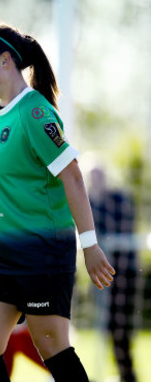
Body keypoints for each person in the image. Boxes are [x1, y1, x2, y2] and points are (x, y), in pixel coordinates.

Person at [0, 23, 116, 382]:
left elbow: (72, 176)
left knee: (51, 345)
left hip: (43, 253)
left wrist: (89, 245)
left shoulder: (35, 113)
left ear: (6, 60)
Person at [87, 164, 139, 382]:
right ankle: (115, 372)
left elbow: (125, 229)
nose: (97, 179)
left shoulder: (119, 199)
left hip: (125, 273)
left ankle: (127, 374)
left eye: (100, 174)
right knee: (105, 327)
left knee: (121, 329)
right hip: (101, 275)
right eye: (92, 176)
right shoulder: (88, 203)